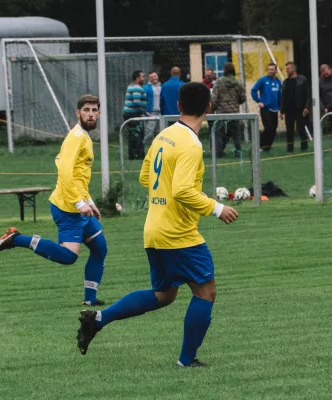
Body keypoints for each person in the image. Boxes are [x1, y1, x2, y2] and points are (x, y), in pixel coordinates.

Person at [77, 82, 239, 368]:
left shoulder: (164, 135)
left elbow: (144, 177)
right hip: (179, 234)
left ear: (178, 106)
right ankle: (186, 361)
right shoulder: (190, 144)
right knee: (206, 292)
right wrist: (217, 207)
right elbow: (182, 191)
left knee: (164, 294)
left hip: (154, 229)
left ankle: (99, 319)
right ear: (208, 109)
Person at [0, 94, 108, 306]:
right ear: (78, 113)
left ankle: (90, 300)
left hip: (78, 204)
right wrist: (79, 203)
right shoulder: (76, 137)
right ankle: (15, 239)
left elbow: (79, 175)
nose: (90, 114)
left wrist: (89, 201)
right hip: (67, 208)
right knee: (68, 257)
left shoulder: (85, 137)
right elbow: (64, 170)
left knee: (100, 248)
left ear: (99, 113)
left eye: (94, 110)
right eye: (86, 110)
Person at [211, 62, 246, 158]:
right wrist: (235, 103)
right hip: (234, 112)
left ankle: (218, 153)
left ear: (224, 70)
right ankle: (238, 153)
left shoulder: (218, 82)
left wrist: (212, 110)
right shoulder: (238, 83)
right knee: (236, 135)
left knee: (219, 134)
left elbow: (214, 99)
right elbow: (243, 98)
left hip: (221, 113)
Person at [280, 61, 311, 153]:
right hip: (289, 110)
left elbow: (308, 95)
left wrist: (306, 107)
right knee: (289, 131)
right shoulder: (285, 82)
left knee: (301, 129)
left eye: (288, 68)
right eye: (286, 69)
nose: (287, 70)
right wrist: (282, 111)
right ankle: (289, 149)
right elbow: (284, 97)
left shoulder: (302, 80)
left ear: (294, 69)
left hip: (300, 109)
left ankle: (304, 148)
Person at [251, 63, 282, 151]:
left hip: (275, 109)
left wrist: (281, 108)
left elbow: (280, 95)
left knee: (273, 130)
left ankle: (267, 148)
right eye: (269, 69)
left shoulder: (278, 81)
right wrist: (259, 101)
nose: (270, 71)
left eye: (272, 69)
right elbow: (253, 91)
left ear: (276, 70)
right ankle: (258, 146)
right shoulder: (263, 80)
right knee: (268, 128)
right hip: (265, 108)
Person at [123, 70, 149, 159]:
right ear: (137, 78)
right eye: (142, 77)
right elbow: (137, 102)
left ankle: (132, 155)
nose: (144, 78)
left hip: (129, 113)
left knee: (133, 135)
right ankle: (140, 155)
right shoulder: (136, 88)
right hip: (133, 114)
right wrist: (144, 111)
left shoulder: (132, 86)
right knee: (138, 134)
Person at [143, 71, 162, 149]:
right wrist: (146, 111)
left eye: (155, 76)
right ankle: (144, 148)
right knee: (149, 132)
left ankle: (158, 149)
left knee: (160, 132)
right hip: (151, 113)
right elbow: (143, 100)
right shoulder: (146, 88)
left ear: (157, 76)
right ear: (149, 78)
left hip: (161, 112)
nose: (154, 78)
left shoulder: (161, 86)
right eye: (151, 77)